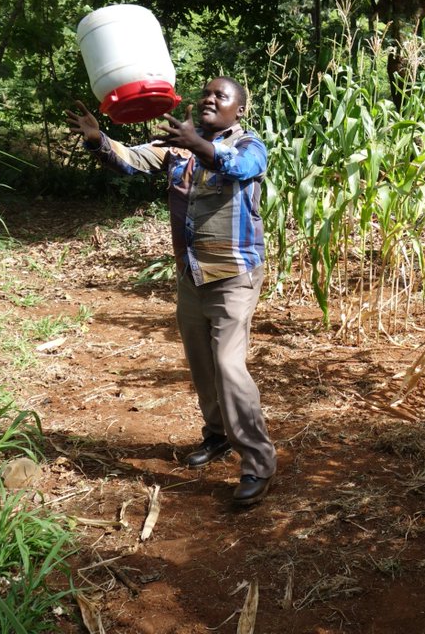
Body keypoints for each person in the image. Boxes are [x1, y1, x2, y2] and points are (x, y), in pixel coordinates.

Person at [66, 76, 278, 506]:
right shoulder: (180, 143)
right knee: (202, 364)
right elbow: (132, 160)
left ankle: (257, 461)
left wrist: (199, 145)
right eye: (206, 93)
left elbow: (240, 168)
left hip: (234, 276)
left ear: (239, 110)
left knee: (228, 366)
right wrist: (98, 139)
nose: (210, 99)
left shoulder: (248, 144)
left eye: (222, 96)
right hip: (191, 275)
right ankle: (216, 436)